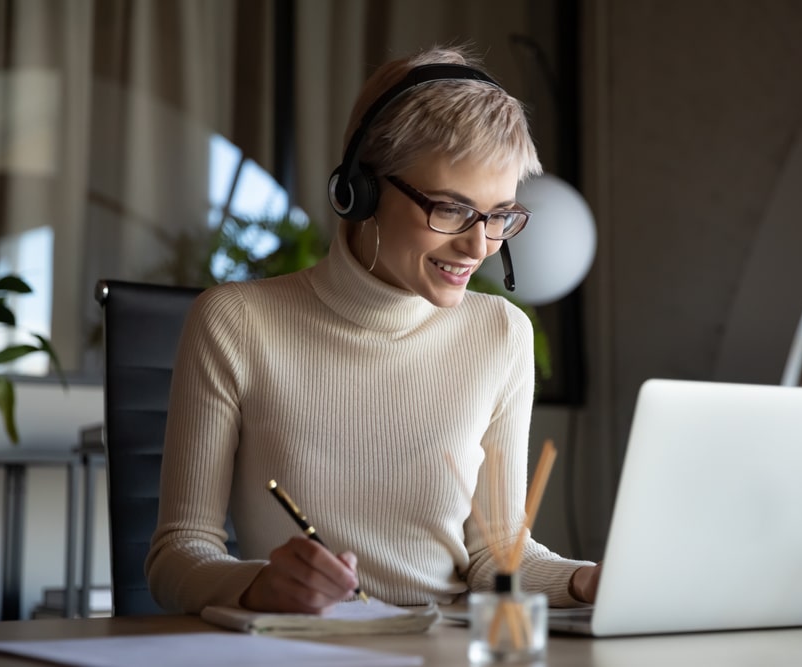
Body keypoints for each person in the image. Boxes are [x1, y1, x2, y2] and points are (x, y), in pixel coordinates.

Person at [146, 44, 602, 615]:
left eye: (499, 215)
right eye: (451, 209)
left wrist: (589, 580)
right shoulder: (236, 324)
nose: (479, 245)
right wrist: (257, 585)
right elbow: (177, 555)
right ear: (360, 191)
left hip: (449, 652)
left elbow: (497, 558)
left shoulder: (501, 334)